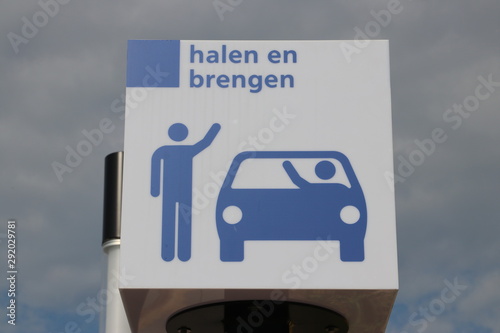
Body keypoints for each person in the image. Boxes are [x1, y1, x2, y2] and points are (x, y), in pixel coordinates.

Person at [151, 123, 221, 261]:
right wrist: (215, 128)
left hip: (173, 191)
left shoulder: (163, 150)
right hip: (182, 190)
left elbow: (155, 168)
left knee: (172, 219)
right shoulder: (184, 150)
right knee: (180, 220)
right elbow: (205, 143)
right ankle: (179, 253)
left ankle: (172, 253)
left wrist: (155, 190)